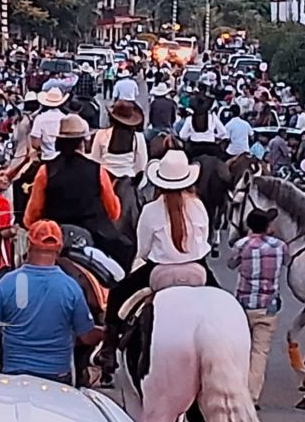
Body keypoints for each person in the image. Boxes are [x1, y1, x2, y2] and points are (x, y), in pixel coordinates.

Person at [97, 149, 219, 375]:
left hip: (159, 271)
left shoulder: (151, 210)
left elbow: (142, 250)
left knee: (116, 296)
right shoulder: (198, 206)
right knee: (224, 304)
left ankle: (109, 348)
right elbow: (205, 241)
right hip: (198, 268)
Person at [0, 220, 102, 384]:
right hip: (57, 376)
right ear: (59, 248)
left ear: (28, 244)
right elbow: (87, 336)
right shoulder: (70, 287)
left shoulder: (8, 282)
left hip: (14, 373)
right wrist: (108, 333)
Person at [24, 114, 133, 269]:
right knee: (123, 254)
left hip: (54, 233)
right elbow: (114, 212)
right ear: (82, 141)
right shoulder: (97, 170)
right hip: (93, 234)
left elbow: (33, 212)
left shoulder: (45, 171)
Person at [228, 209, 289, 409]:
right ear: (268, 227)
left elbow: (230, 264)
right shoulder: (280, 247)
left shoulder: (242, 245)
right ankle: (252, 396)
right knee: (260, 352)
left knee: (240, 350)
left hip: (243, 305)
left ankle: (235, 388)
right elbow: (287, 263)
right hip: (268, 306)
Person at [91, 101, 147, 180]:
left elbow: (95, 159)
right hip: (128, 179)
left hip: (105, 178)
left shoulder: (101, 134)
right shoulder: (138, 137)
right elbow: (141, 164)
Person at [30, 87, 68, 160]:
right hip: (63, 158)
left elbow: (35, 144)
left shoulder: (39, 118)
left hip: (46, 157)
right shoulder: (65, 118)